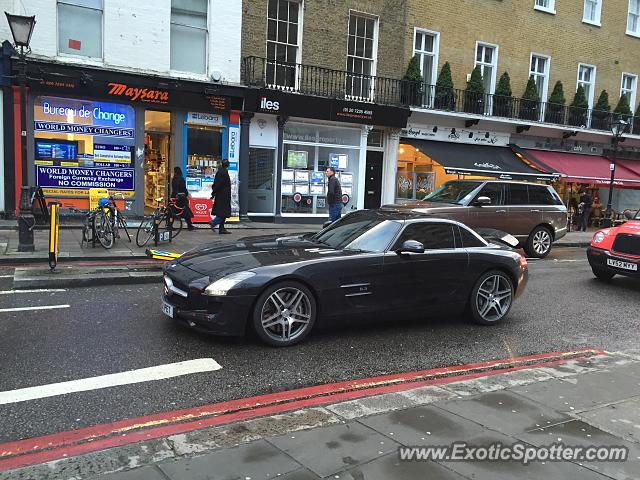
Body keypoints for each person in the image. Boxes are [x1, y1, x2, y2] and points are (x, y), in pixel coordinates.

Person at [210, 159, 232, 234]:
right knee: (223, 212)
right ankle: (214, 222)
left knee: (223, 212)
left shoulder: (220, 171)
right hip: (223, 195)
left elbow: (216, 183)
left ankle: (221, 228)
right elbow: (219, 184)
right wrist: (214, 193)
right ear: (227, 165)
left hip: (221, 195)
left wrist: (214, 193)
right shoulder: (224, 172)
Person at [170, 166, 194, 231]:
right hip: (181, 197)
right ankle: (189, 225)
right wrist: (186, 194)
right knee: (186, 211)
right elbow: (183, 188)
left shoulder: (174, 179)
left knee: (173, 212)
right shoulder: (181, 179)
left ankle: (169, 225)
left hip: (174, 196)